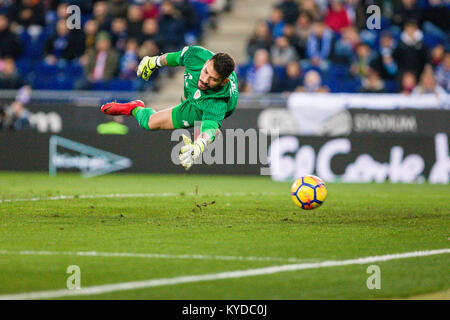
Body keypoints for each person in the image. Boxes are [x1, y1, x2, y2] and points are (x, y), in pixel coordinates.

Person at [101, 46, 238, 170]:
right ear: (207, 62)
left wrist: (200, 145)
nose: (205, 79)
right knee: (149, 123)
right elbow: (174, 58)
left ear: (223, 81)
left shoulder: (219, 100)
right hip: (191, 93)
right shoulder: (196, 55)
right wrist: (154, 62)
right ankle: (134, 108)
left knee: (209, 131)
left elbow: (210, 126)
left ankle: (199, 141)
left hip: (201, 106)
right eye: (206, 71)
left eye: (213, 79)